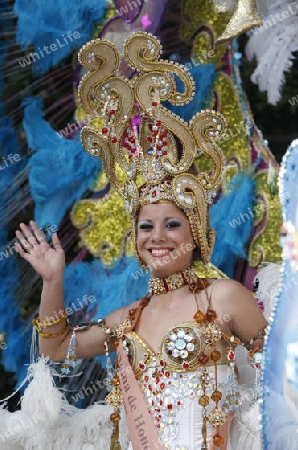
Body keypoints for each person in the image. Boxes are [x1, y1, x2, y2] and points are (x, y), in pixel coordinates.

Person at [14, 32, 268, 450]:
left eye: (172, 224)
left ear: (197, 233)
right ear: (134, 239)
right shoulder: (126, 320)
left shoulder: (223, 298)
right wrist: (52, 280)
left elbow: (283, 381)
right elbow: (57, 349)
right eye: (146, 227)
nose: (158, 237)